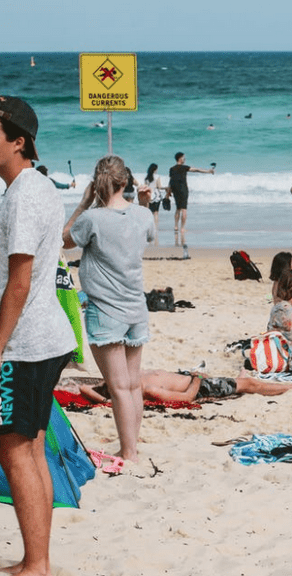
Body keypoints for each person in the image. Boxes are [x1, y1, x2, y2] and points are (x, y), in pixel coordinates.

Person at [0, 95, 78, 576]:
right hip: (48, 336)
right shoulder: (38, 187)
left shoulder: (24, 195)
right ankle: (38, 557)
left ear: (18, 141)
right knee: (29, 446)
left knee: (13, 448)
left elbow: (20, 283)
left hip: (25, 341)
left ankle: (37, 563)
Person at [63, 155, 155, 464]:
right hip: (136, 308)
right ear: (125, 181)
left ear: (96, 183)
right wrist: (142, 202)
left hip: (105, 311)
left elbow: (63, 241)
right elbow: (150, 234)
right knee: (132, 384)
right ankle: (132, 447)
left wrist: (82, 204)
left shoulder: (91, 219)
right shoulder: (142, 215)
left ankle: (128, 451)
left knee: (118, 387)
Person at [79, 368, 292, 404]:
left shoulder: (127, 377)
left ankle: (240, 379)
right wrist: (197, 378)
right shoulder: (146, 390)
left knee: (242, 381)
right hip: (201, 387)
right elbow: (186, 398)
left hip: (194, 377)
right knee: (250, 384)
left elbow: (83, 389)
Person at [168, 151, 214, 247]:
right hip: (184, 190)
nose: (185, 159)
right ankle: (182, 228)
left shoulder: (171, 169)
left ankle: (176, 226)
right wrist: (208, 171)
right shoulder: (184, 167)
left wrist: (168, 192)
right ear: (180, 159)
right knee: (184, 209)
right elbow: (196, 170)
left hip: (175, 190)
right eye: (184, 158)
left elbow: (171, 181)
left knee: (178, 208)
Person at [141, 163, 168, 239]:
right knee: (156, 213)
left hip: (149, 196)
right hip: (156, 196)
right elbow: (159, 187)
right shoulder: (157, 177)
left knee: (149, 213)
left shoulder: (146, 178)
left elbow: (145, 187)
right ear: (155, 169)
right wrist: (165, 188)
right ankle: (155, 227)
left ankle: (149, 228)